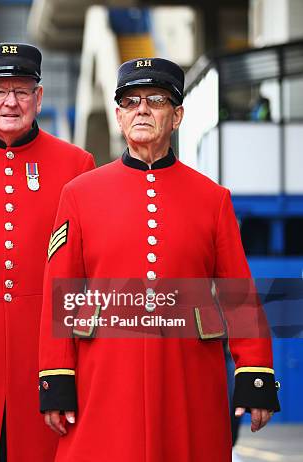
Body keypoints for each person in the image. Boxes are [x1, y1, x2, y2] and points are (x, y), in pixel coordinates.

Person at [38, 58, 280, 461]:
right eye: (130, 102)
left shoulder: (212, 199)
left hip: (188, 374)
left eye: (156, 100)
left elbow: (238, 293)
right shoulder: (79, 195)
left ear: (178, 115)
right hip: (106, 374)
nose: (142, 110)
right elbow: (60, 294)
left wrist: (254, 371)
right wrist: (56, 378)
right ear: (118, 116)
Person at [0, 43, 95, 462]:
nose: (11, 102)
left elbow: (82, 271)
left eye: (23, 91)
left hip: (44, 350)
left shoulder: (76, 165)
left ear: (39, 98)